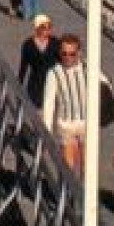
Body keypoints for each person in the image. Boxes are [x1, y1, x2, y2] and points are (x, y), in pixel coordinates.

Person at [39, 34, 89, 174]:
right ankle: (67, 195)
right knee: (68, 167)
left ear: (78, 53)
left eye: (72, 54)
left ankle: (83, 194)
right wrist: (46, 132)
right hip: (66, 124)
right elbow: (48, 103)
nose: (68, 57)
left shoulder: (88, 69)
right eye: (64, 53)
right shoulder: (54, 73)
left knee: (88, 166)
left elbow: (106, 85)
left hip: (87, 123)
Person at [18, 14, 61, 107]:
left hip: (52, 81)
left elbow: (62, 62)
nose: (47, 30)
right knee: (36, 110)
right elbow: (23, 66)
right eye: (44, 27)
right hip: (35, 84)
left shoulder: (55, 42)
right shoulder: (28, 44)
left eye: (49, 27)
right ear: (37, 28)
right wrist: (19, 84)